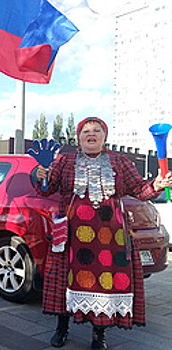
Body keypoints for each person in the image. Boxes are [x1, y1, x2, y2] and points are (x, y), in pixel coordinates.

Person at [36, 117, 171, 350]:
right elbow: (47, 190)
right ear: (78, 137)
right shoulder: (65, 161)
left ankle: (99, 335)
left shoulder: (120, 162)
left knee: (105, 285)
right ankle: (62, 328)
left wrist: (157, 185)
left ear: (104, 136)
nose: (91, 134)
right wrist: (42, 176)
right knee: (65, 280)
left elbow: (140, 189)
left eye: (97, 130)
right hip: (72, 236)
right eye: (86, 131)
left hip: (111, 237)